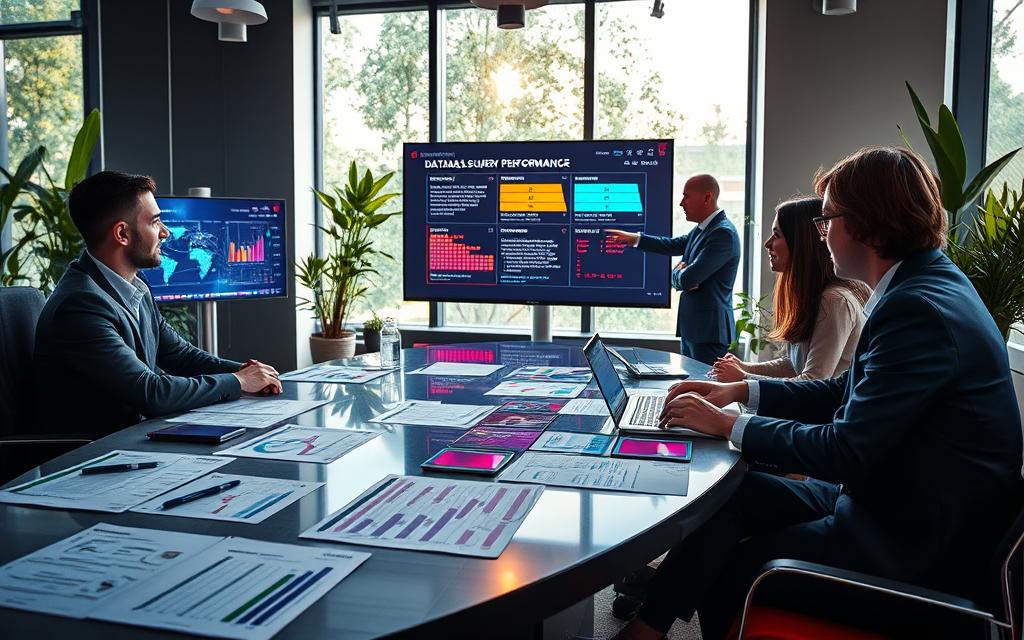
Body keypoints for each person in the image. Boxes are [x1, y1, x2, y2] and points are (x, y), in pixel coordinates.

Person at [612, 147, 1024, 640]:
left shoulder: (918, 309)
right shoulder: (922, 285)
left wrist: (729, 425)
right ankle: (646, 629)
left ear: (868, 224)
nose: (821, 230)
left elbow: (844, 450)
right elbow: (843, 390)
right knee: (729, 498)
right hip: (893, 499)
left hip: (911, 541)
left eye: (827, 217)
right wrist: (739, 391)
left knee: (740, 567)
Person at [34, 171, 282, 438]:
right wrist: (238, 381)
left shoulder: (131, 284)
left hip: (134, 438)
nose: (165, 232)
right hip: (93, 455)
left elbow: (179, 355)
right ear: (122, 234)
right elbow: (151, 392)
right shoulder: (80, 305)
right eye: (155, 222)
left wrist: (247, 372)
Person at [711, 196, 869, 382]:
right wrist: (743, 366)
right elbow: (793, 364)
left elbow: (813, 381)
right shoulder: (814, 297)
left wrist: (743, 378)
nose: (767, 244)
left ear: (802, 243)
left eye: (776, 235)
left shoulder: (834, 300)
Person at [606, 174, 740, 365]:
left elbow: (688, 279)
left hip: (708, 333)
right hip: (695, 330)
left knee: (705, 389)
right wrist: (635, 239)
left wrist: (678, 275)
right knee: (692, 387)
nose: (681, 203)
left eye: (686, 196)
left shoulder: (722, 233)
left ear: (707, 198)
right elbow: (672, 246)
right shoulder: (703, 230)